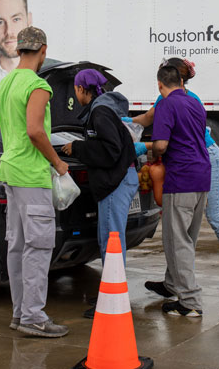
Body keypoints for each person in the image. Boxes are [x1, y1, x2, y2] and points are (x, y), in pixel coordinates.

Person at [128, 58, 219, 290]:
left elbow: (167, 141)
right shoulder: (169, 98)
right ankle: (173, 283)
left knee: (214, 217)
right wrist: (126, 122)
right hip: (196, 158)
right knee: (181, 230)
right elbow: (149, 118)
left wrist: (146, 147)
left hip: (206, 156)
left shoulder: (186, 100)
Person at [0, 26, 69, 337]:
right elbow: (36, 131)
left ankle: (20, 313)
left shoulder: (6, 82)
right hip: (31, 174)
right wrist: (58, 162)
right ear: (43, 51)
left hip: (10, 171)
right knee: (38, 247)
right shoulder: (38, 86)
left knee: (18, 246)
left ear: (19, 49)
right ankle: (34, 317)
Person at [60, 69, 139, 318]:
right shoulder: (104, 108)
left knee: (112, 244)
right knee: (112, 241)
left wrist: (79, 147)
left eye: (75, 88)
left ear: (83, 90)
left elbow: (111, 149)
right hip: (121, 179)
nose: (75, 93)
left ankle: (112, 302)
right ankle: (111, 293)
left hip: (116, 182)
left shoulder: (100, 111)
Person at [144, 65, 211, 317]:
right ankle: (172, 284)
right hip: (201, 175)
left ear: (160, 85)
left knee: (176, 240)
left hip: (181, 177)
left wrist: (147, 149)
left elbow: (161, 145)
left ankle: (191, 301)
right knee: (187, 238)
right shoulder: (195, 103)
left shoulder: (165, 104)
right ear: (181, 83)